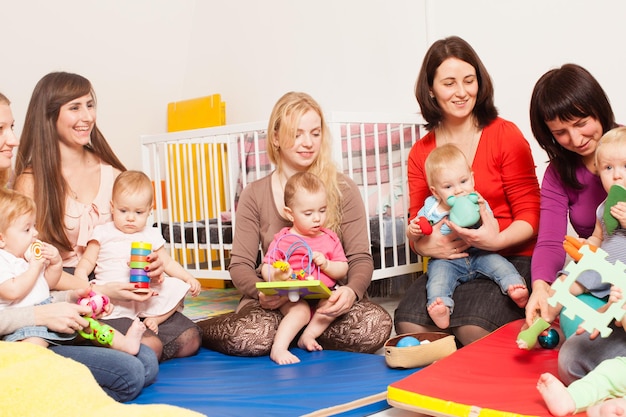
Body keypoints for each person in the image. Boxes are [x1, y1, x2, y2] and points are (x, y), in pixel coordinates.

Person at [13, 71, 200, 361]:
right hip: (66, 283)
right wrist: (98, 289)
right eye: (74, 107)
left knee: (189, 339)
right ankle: (80, 341)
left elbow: (136, 230)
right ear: (49, 116)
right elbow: (27, 264)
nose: (87, 115)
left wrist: (156, 267)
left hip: (118, 274)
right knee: (150, 347)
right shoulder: (31, 181)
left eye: (90, 105)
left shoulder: (112, 173)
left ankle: (112, 342)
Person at [199, 91, 392, 356]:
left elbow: (360, 257)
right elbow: (240, 265)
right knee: (247, 337)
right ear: (276, 137)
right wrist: (260, 293)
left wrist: (351, 292)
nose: (308, 142)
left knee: (375, 325)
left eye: (315, 133)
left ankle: (301, 335)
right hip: (277, 304)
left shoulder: (343, 187)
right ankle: (202, 330)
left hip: (327, 304)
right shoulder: (255, 193)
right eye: (297, 133)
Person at [0, 91, 157, 402]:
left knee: (146, 363)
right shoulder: (27, 186)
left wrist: (70, 296)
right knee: (130, 374)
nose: (13, 140)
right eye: (0, 130)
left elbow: (32, 282)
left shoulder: (8, 202)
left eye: (11, 127)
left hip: (37, 315)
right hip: (20, 332)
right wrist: (39, 317)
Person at [394, 35, 540, 346]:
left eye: (469, 80)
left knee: (472, 328)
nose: (462, 92)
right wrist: (426, 246)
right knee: (408, 324)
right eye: (449, 83)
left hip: (508, 255)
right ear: (431, 90)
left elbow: (530, 215)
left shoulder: (505, 135)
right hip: (451, 259)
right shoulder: (422, 152)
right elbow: (418, 221)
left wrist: (495, 239)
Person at [536, 127, 626, 416]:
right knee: (569, 360)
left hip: (621, 291)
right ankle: (550, 308)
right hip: (607, 279)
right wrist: (588, 248)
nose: (617, 175)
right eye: (608, 168)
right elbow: (599, 239)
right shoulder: (603, 209)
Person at [526, 63, 618, 328]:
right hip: (596, 277)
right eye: (560, 133)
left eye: (581, 124)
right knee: (573, 321)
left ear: (598, 110)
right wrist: (541, 287)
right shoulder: (558, 173)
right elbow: (550, 241)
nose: (576, 139)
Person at [0, 188, 146, 354]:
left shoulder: (23, 258)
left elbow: (48, 284)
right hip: (24, 324)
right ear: (1, 239)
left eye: (34, 226)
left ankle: (125, 343)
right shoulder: (3, 260)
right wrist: (35, 266)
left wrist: (55, 263)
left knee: (89, 324)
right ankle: (33, 371)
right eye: (27, 230)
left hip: (49, 308)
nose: (35, 233)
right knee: (33, 344)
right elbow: (11, 291)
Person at [74, 170, 201, 353]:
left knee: (177, 287)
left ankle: (155, 319)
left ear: (150, 211)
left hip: (144, 294)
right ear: (112, 207)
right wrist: (81, 277)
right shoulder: (103, 232)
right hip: (113, 298)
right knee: (143, 342)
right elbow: (87, 260)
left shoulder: (150, 234)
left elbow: (168, 263)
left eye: (138, 212)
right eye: (123, 210)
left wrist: (188, 278)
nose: (130, 217)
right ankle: (122, 343)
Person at [415, 144, 529, 329]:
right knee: (437, 279)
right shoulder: (432, 207)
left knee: (501, 265)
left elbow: (492, 227)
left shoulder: (477, 200)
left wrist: (485, 215)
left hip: (479, 252)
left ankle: (514, 286)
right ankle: (441, 306)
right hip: (447, 259)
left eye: (463, 181)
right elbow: (420, 226)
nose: (459, 190)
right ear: (436, 192)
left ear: (472, 178)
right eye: (448, 186)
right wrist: (415, 230)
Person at [260, 172, 349, 364]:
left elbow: (343, 269)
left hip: (322, 294)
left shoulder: (329, 238)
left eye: (322, 210)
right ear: (290, 213)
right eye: (308, 214)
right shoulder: (284, 239)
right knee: (299, 312)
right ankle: (279, 348)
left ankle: (307, 336)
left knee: (332, 304)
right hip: (292, 295)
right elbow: (266, 267)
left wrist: (327, 265)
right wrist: (277, 275)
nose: (317, 218)